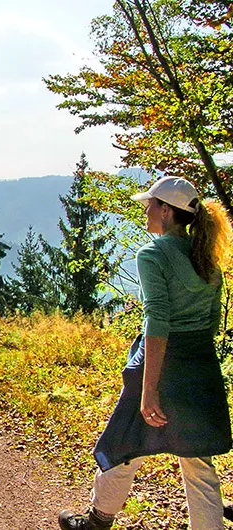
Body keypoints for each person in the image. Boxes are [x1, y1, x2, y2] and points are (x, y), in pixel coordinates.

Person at [58, 177, 232, 530]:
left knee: (125, 442)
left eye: (149, 204)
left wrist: (149, 387)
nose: (145, 210)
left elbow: (158, 319)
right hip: (200, 364)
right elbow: (212, 319)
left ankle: (97, 522)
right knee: (197, 459)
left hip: (161, 363)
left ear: (165, 210)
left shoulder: (152, 254)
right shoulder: (207, 257)